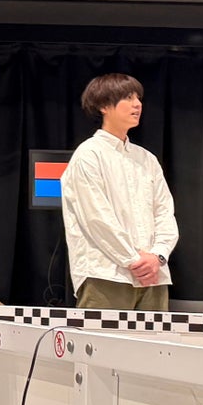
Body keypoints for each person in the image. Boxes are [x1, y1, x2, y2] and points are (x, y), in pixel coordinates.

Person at [61, 73, 177, 311]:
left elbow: (165, 213)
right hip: (106, 274)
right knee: (102, 336)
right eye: (128, 98)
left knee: (155, 337)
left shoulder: (147, 159)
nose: (137, 104)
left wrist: (158, 256)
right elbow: (96, 218)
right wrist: (134, 260)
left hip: (153, 276)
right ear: (104, 106)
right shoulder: (89, 155)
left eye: (139, 98)